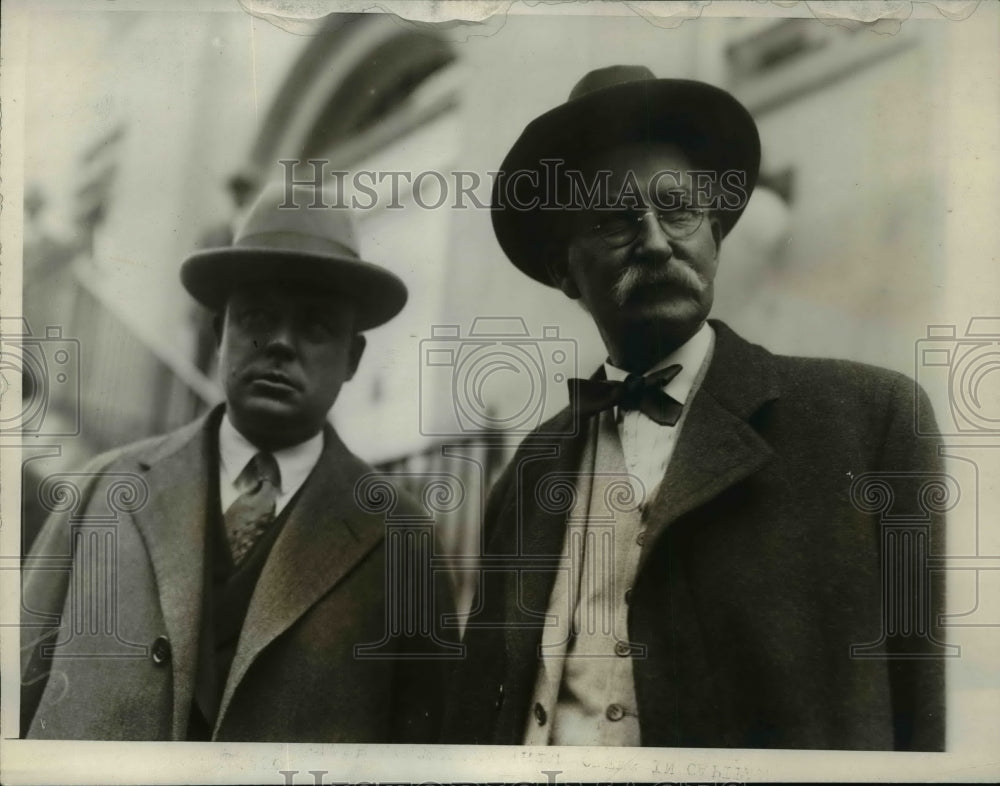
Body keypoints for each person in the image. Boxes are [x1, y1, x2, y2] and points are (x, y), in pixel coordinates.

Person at [442, 66, 946, 750]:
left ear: (714, 232)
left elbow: (921, 713)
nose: (655, 241)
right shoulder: (527, 475)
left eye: (678, 208)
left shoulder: (866, 421)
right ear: (566, 272)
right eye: (615, 220)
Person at [21, 183, 453, 742]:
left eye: (316, 326)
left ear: (352, 358)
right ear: (219, 333)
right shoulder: (104, 491)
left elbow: (425, 747)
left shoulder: (400, 538)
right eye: (256, 316)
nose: (279, 343)